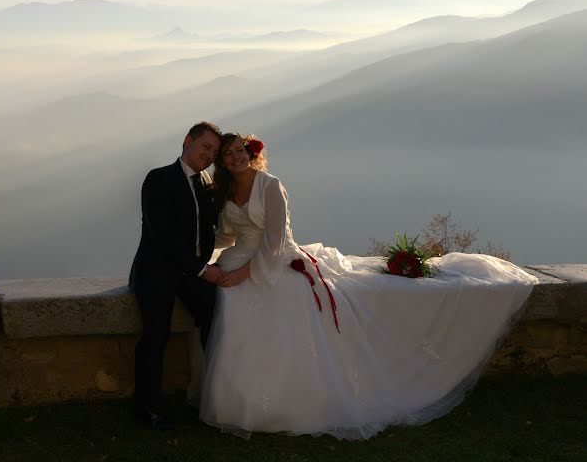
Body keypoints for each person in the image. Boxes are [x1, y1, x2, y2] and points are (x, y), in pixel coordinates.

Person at [199, 132, 538, 439]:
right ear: (222, 161)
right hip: (236, 260)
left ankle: (286, 402)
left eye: (239, 150)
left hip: (276, 263)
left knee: (277, 304)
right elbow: (228, 235)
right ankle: (238, 402)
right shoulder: (225, 190)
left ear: (250, 151)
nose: (235, 157)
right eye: (227, 154)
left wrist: (246, 273)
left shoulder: (269, 185)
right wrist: (203, 255)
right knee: (232, 304)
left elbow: (274, 242)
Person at [129, 121, 224, 430]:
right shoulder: (158, 179)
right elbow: (162, 236)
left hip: (190, 271)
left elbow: (210, 229)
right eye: (205, 147)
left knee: (219, 316)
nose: (209, 155)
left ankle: (216, 395)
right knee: (156, 334)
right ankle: (147, 406)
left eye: (214, 152)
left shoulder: (207, 183)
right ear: (187, 142)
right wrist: (201, 270)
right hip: (156, 269)